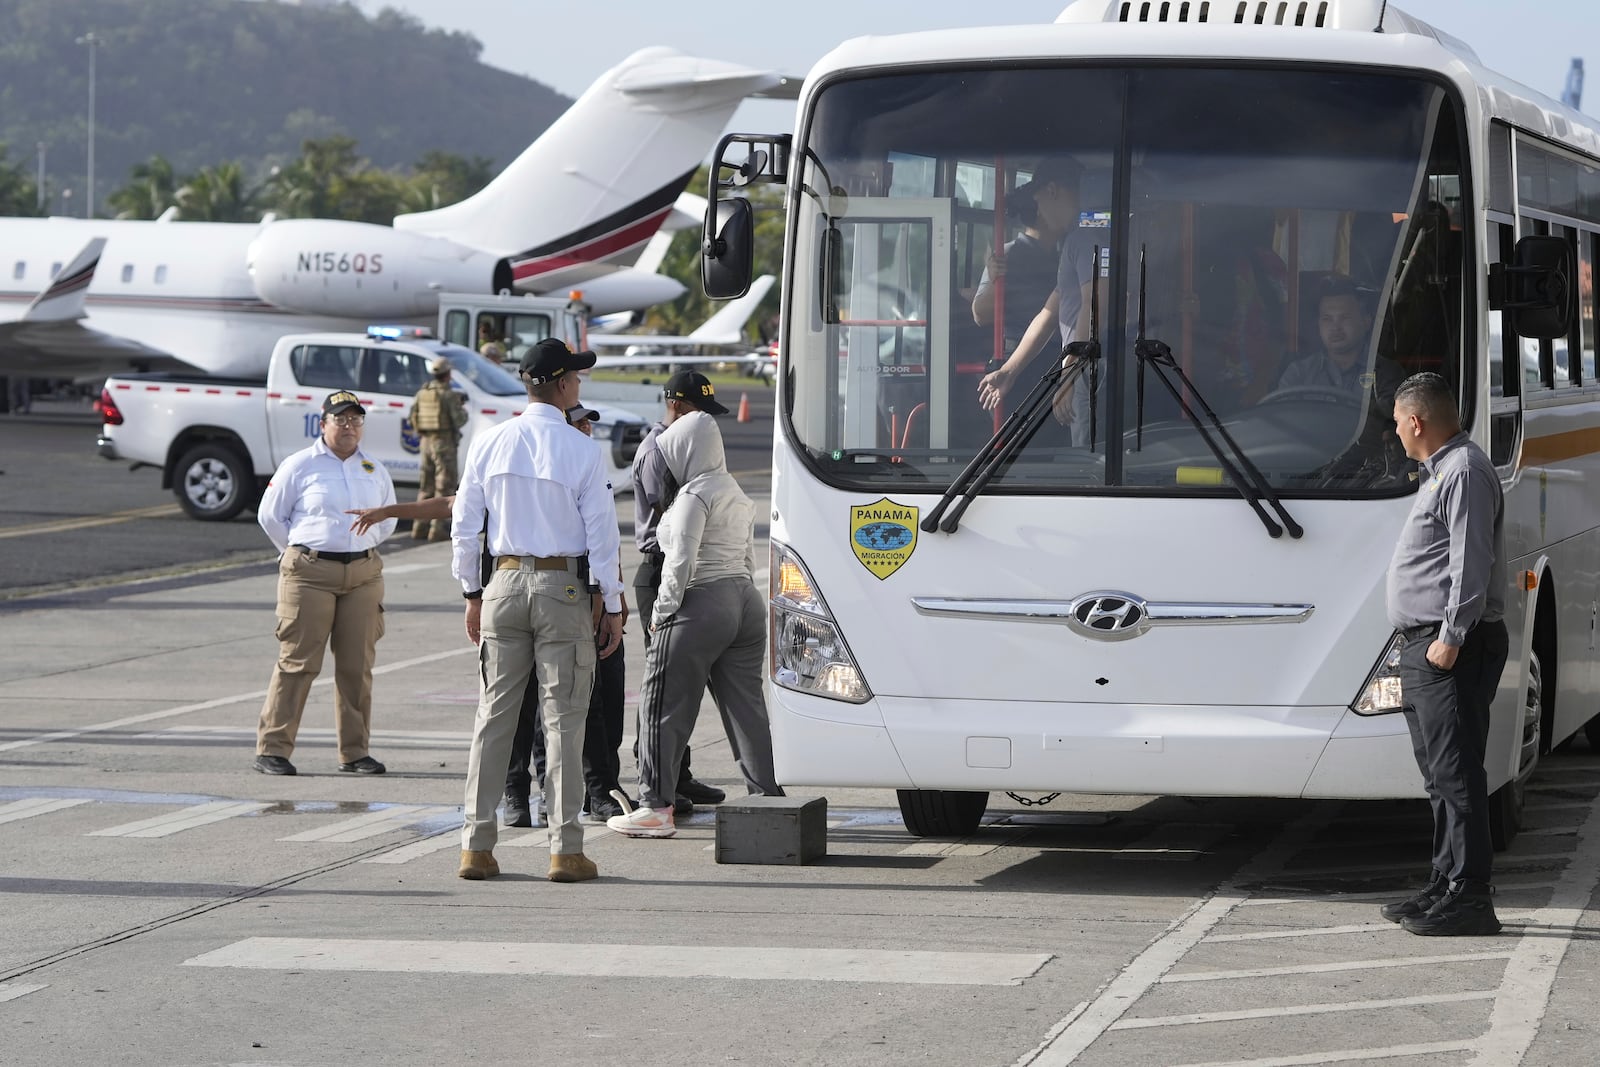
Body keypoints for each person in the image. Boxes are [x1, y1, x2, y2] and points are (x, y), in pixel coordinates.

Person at [451, 337, 624, 884]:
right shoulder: (580, 449)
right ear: (565, 385)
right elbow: (602, 534)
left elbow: (464, 524)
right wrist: (612, 602)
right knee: (563, 721)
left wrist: (471, 593)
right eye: (576, 377)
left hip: (501, 581)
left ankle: (476, 846)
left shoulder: (490, 441)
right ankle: (564, 850)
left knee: (493, 719)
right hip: (560, 587)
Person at [609, 410, 781, 838]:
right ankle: (768, 797)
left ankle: (654, 806)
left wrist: (663, 612)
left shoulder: (693, 496)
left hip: (701, 601)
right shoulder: (735, 490)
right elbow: (748, 557)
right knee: (746, 708)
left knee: (661, 706)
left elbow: (680, 562)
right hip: (745, 600)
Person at [1382, 372, 1509, 936]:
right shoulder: (1441, 472)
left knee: (1457, 774)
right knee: (1439, 775)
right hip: (1425, 642)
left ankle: (1471, 897)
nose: (1397, 437)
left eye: (1398, 425)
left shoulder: (1463, 471)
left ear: (1416, 421)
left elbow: (1470, 561)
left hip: (1450, 644)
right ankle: (1444, 881)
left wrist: (1450, 639)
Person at [501, 401, 633, 826]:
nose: (586, 431)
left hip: (585, 592)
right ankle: (521, 794)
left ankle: (598, 789)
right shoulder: (529, 459)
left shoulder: (585, 465)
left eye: (588, 425)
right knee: (525, 706)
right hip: (543, 590)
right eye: (578, 423)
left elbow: (603, 536)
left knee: (592, 702)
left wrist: (612, 594)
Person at [254, 390, 397, 776]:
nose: (349, 426)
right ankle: (273, 749)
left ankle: (354, 753)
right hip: (310, 575)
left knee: (357, 667)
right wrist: (300, 554)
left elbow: (386, 520)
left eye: (355, 420)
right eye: (340, 419)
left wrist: (358, 547)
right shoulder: (300, 465)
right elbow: (271, 517)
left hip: (363, 575)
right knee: (298, 662)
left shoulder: (373, 469)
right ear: (323, 425)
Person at [631, 371, 733, 812]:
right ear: (674, 405)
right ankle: (655, 776)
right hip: (660, 570)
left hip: (683, 568)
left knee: (682, 682)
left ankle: (677, 774)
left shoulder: (684, 445)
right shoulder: (659, 452)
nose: (703, 423)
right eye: (696, 411)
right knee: (663, 683)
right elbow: (671, 514)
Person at [976, 157, 1101, 444]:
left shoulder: (1081, 240)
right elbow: (1047, 310)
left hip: (1066, 361)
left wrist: (1067, 373)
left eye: (1038, 194)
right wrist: (1010, 370)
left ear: (1052, 191)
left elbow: (1092, 304)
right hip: (1044, 360)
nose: (1035, 200)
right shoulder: (1012, 254)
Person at [970, 185, 1063, 354]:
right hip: (1023, 353)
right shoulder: (1008, 255)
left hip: (1058, 349)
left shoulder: (1060, 256)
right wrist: (994, 279)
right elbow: (981, 315)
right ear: (1041, 211)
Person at [406, 357, 467, 542]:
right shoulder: (448, 395)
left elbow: (412, 418)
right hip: (444, 443)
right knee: (444, 486)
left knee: (426, 486)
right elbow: (460, 420)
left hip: (426, 442)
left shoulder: (422, 393)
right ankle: (437, 529)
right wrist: (462, 408)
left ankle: (419, 527)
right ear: (448, 374)